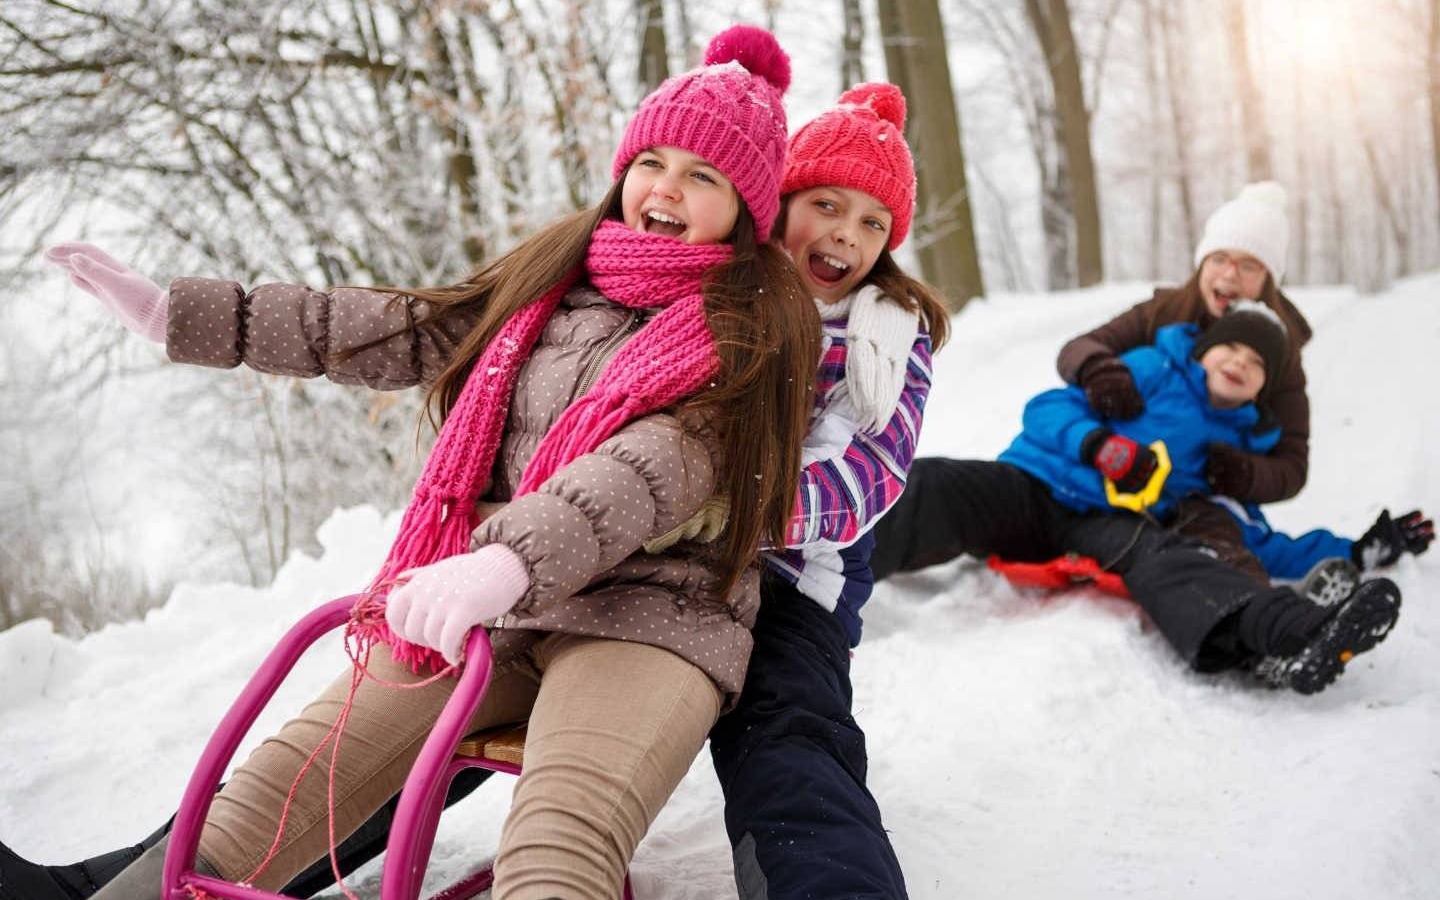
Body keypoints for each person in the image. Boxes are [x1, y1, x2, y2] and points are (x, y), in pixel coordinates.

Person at [3, 79, 947, 900]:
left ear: (743, 207)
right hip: (503, 597)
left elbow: (663, 467)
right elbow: (389, 327)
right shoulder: (555, 280)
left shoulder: (767, 330)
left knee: (741, 769)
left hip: (675, 607)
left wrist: (516, 552)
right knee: (285, 789)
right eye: (652, 160)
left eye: (703, 176)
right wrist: (189, 316)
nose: (666, 188)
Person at [869, 301, 1402, 695]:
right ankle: (826, 572)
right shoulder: (1150, 369)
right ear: (1203, 348)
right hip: (1034, 487)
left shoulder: (1232, 446)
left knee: (1176, 560)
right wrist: (1098, 443)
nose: (1240, 362)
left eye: (1257, 363)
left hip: (1110, 523)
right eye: (1232, 347)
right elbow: (1046, 408)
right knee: (934, 482)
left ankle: (1290, 630)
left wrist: (1355, 550)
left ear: (1263, 389)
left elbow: (1255, 536)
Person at [707, 82, 948, 900]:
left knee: (790, 735)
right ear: (779, 201)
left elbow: (869, 473)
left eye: (873, 222)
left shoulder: (886, 337)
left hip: (792, 587)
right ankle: (316, 834)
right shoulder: (715, 295)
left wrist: (722, 516)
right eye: (826, 203)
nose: (847, 234)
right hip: (662, 568)